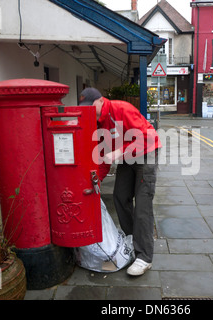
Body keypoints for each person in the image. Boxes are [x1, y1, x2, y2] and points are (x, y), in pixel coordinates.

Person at [79, 87, 162, 276]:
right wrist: (96, 181)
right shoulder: (98, 122)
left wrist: (120, 152)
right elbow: (103, 156)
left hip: (146, 154)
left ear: (100, 100)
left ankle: (144, 257)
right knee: (120, 196)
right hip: (127, 157)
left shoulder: (121, 109)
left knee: (143, 205)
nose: (88, 110)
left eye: (90, 105)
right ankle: (133, 237)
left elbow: (147, 137)